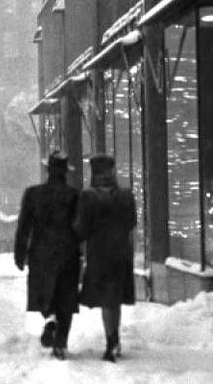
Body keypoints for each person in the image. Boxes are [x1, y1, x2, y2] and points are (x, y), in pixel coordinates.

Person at [14, 150, 81, 360]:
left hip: (41, 255)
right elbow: (80, 227)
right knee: (66, 298)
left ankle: (50, 318)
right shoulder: (74, 195)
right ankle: (60, 343)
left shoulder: (33, 194)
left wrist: (20, 252)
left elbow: (24, 226)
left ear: (48, 170)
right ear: (65, 172)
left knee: (45, 294)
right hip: (68, 253)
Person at [73, 153, 137, 362]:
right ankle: (114, 338)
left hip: (100, 254)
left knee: (107, 299)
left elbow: (82, 229)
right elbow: (131, 222)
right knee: (114, 298)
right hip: (121, 252)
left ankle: (111, 341)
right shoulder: (126, 195)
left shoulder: (88, 197)